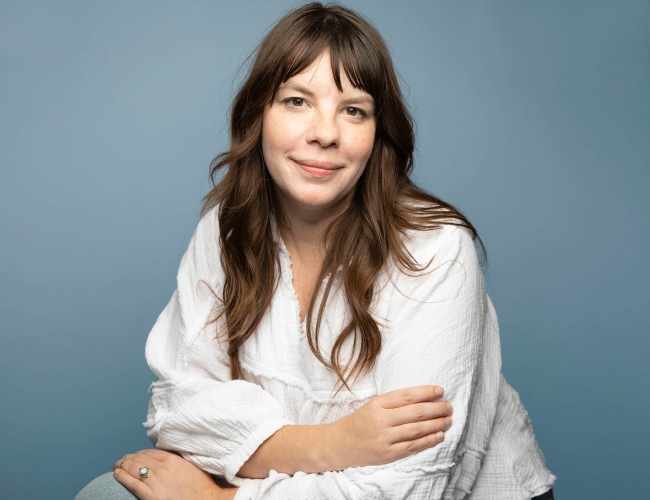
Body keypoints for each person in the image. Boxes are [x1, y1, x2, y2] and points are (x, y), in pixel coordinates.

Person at [76, 3, 555, 499]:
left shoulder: (434, 248)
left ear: (377, 132)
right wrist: (330, 443)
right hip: (288, 480)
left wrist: (221, 499)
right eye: (297, 101)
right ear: (257, 113)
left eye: (353, 110)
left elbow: (410, 484)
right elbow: (178, 409)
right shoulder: (228, 228)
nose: (325, 133)